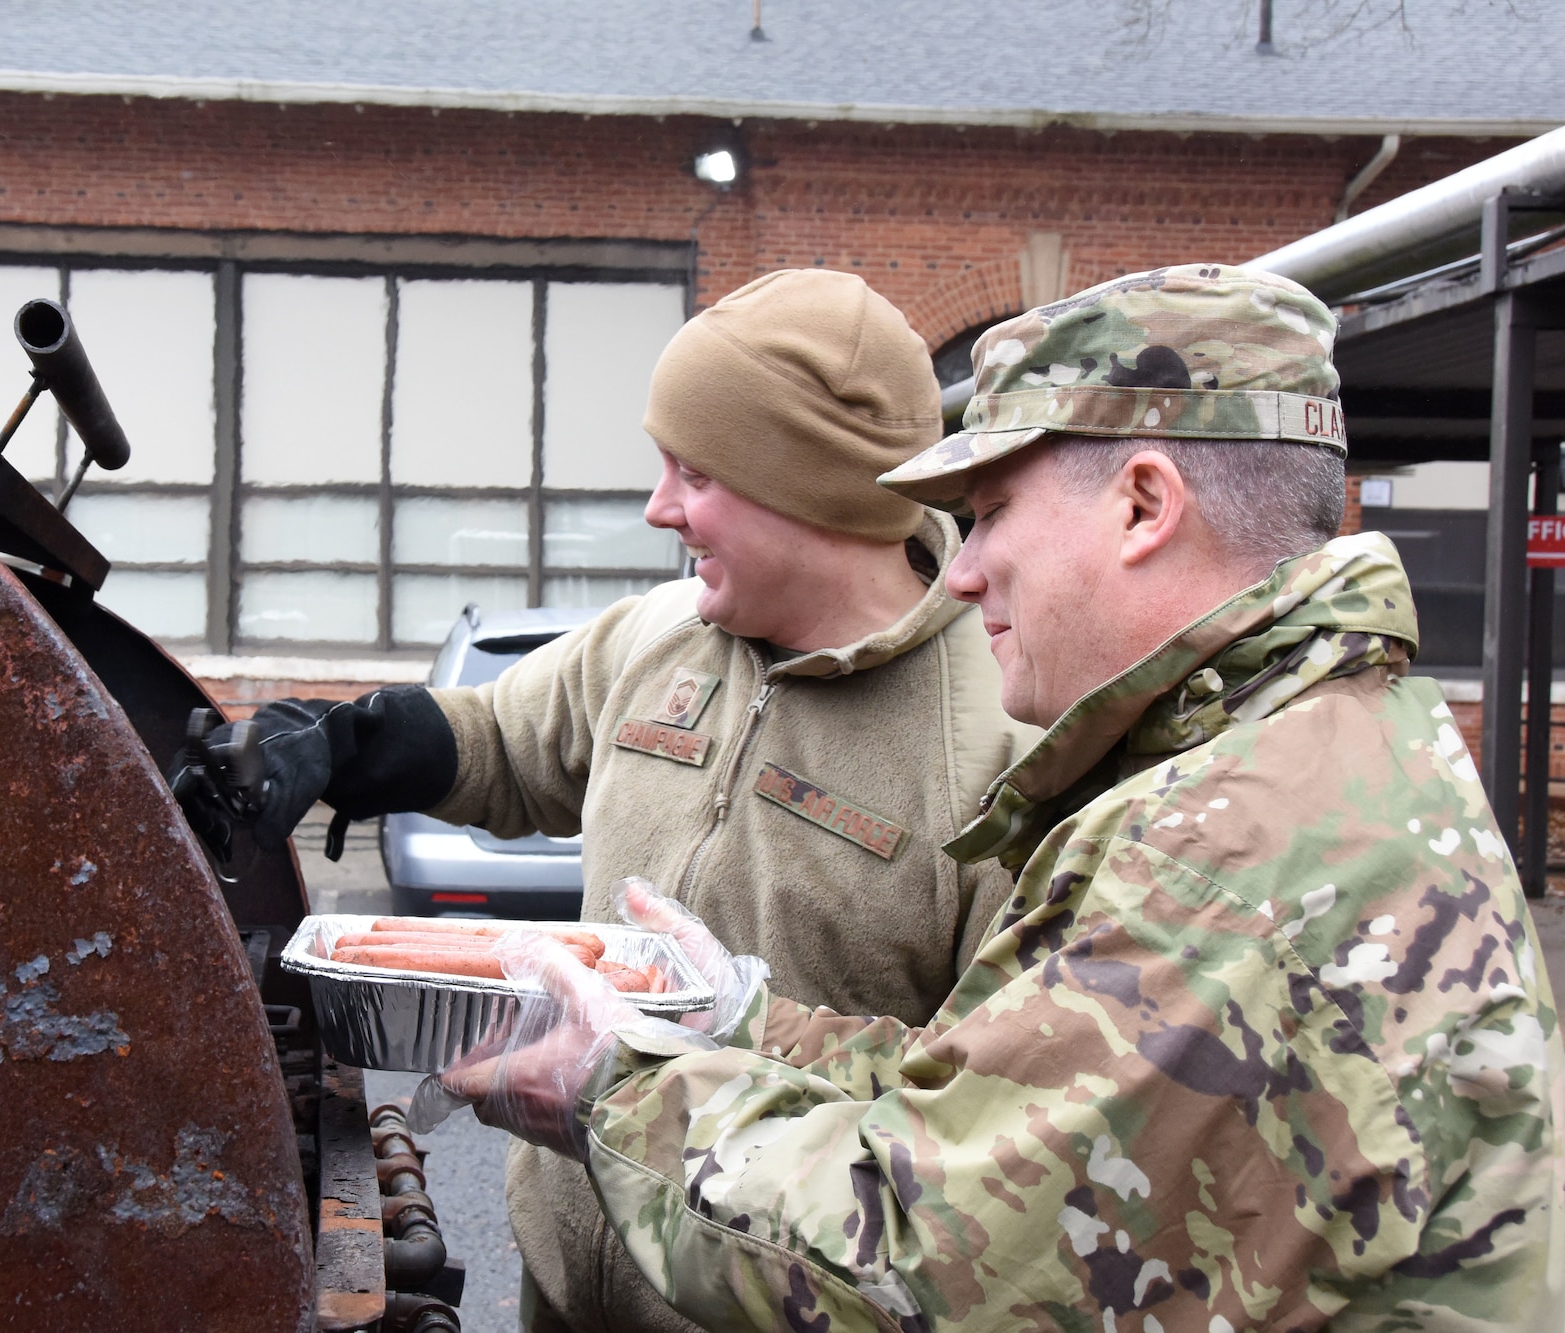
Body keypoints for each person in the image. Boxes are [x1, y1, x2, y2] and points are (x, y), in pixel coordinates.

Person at [424, 263, 1565, 1331]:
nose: (961, 569)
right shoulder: (1314, 749)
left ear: (1141, 504)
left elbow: (921, 1257)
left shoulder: (1224, 845)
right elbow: (995, 1092)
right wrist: (736, 1019)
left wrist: (608, 1091)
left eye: (992, 512)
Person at [218, 269, 1036, 1331]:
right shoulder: (659, 636)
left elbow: (981, 1122)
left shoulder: (995, 745)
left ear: (807, 486)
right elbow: (502, 742)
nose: (658, 508)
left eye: (693, 473)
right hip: (563, 1293)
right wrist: (342, 740)